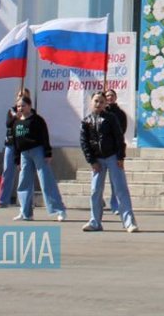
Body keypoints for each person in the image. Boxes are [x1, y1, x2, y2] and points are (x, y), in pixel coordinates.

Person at [80, 92, 138, 233]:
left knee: (120, 189)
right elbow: (84, 142)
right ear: (91, 102)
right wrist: (92, 160)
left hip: (112, 157)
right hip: (97, 160)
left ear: (106, 104)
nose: (98, 104)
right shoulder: (86, 121)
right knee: (95, 191)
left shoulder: (111, 118)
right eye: (96, 101)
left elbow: (119, 137)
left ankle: (129, 222)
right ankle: (95, 222)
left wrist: (120, 157)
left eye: (101, 102)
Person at [12, 95, 67, 222]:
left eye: (23, 105)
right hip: (24, 154)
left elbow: (44, 136)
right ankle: (25, 212)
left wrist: (47, 152)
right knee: (24, 182)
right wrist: (17, 159)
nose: (20, 108)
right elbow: (15, 142)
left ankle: (59, 209)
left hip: (38, 151)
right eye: (19, 106)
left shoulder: (37, 120)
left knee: (46, 180)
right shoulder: (16, 122)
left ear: (29, 106)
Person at [0, 88, 30, 208]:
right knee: (8, 171)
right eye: (19, 96)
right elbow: (8, 124)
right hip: (11, 144)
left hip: (24, 145)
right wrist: (16, 117)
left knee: (25, 172)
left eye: (24, 96)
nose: (21, 98)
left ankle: (26, 203)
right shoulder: (11, 111)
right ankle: (3, 200)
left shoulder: (31, 113)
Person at [103, 88, 128, 214]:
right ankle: (99, 202)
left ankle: (115, 205)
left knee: (115, 180)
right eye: (107, 95)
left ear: (115, 98)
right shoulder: (101, 113)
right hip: (101, 151)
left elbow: (122, 131)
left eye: (112, 95)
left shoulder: (120, 114)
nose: (109, 97)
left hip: (114, 150)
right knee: (98, 182)